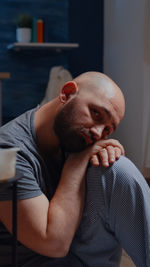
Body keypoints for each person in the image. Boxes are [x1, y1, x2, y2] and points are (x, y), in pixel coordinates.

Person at [0, 71, 149, 267]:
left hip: (76, 256)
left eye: (107, 130)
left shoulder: (71, 137)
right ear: (66, 93)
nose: (97, 133)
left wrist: (105, 152)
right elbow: (53, 244)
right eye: (96, 113)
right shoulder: (6, 153)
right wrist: (77, 161)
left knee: (116, 169)